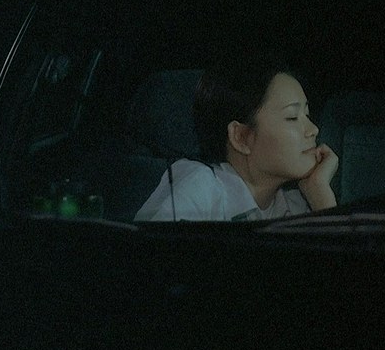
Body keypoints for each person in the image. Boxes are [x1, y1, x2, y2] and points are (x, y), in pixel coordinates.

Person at [134, 49, 338, 221]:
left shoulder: (295, 206)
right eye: (292, 117)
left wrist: (322, 196)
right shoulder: (199, 189)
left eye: (307, 115)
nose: (313, 129)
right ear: (240, 137)